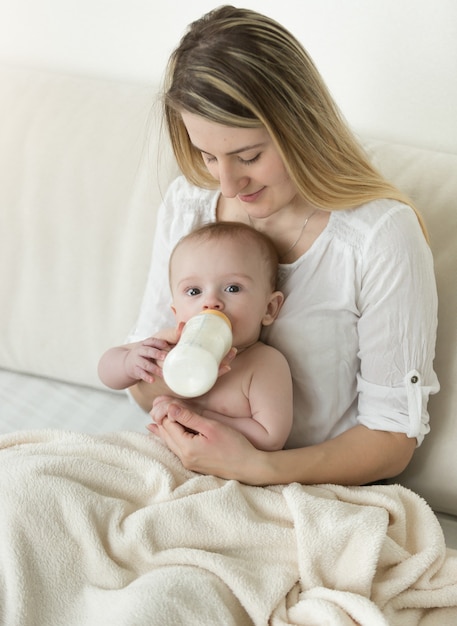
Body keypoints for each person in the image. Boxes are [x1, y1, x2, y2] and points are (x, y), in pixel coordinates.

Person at [128, 5, 439, 486]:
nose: (228, 185)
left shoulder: (379, 238)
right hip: (182, 470)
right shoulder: (190, 205)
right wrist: (172, 377)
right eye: (209, 156)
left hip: (309, 490)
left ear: (299, 127)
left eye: (248, 156)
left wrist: (257, 466)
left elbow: (392, 438)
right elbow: (142, 381)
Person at [98, 221, 294, 452]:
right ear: (176, 312)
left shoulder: (264, 364)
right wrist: (129, 363)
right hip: (162, 454)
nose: (210, 302)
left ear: (269, 308)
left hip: (229, 470)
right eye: (194, 291)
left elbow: (270, 438)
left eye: (233, 288)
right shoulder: (171, 345)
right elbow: (106, 373)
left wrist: (196, 416)